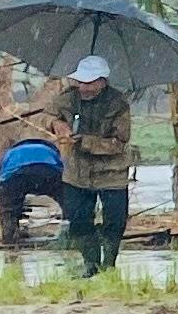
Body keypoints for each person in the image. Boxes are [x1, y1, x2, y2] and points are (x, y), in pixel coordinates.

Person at [56, 55, 134, 277]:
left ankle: (108, 265)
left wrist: (84, 141)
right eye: (81, 82)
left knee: (115, 221)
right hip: (77, 171)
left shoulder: (118, 104)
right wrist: (59, 125)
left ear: (102, 82)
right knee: (78, 218)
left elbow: (119, 142)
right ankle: (90, 264)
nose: (84, 87)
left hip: (112, 172)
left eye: (89, 83)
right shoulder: (68, 98)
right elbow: (47, 116)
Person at [0, 135, 69, 247]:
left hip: (18, 174)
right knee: (66, 200)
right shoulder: (50, 150)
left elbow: (2, 175)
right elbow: (62, 169)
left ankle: (10, 238)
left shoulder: (10, 154)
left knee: (7, 207)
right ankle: (71, 233)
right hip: (48, 171)